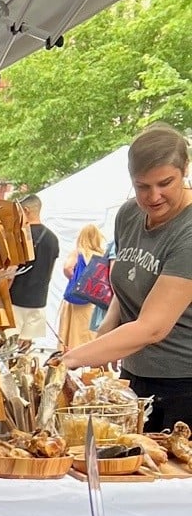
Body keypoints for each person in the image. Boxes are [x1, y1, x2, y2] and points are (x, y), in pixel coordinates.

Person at [62, 124, 192, 428]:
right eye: (142, 186)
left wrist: (73, 358)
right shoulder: (129, 215)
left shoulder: (187, 233)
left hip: (183, 387)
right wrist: (107, 331)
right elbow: (129, 281)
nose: (153, 196)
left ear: (185, 170)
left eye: (165, 183)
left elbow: (152, 328)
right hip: (135, 377)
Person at [9, 194, 59, 345]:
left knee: (9, 347)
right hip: (39, 300)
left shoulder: (20, 236)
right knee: (25, 348)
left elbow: (11, 271)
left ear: (26, 210)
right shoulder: (53, 238)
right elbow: (50, 270)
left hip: (16, 299)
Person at [57, 222, 108, 351]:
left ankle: (72, 359)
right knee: (89, 333)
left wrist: (76, 281)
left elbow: (68, 268)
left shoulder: (78, 252)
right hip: (93, 301)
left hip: (76, 299)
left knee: (72, 332)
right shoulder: (102, 255)